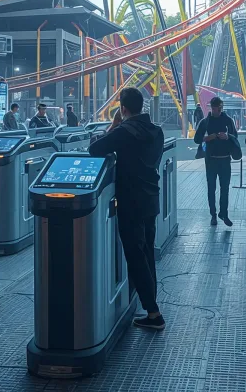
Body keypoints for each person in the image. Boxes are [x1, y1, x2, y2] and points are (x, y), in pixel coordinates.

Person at [87, 87, 166, 330]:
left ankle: (153, 313)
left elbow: (95, 148)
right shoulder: (157, 131)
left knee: (134, 255)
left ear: (123, 108)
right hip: (152, 198)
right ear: (142, 106)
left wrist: (113, 126)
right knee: (146, 253)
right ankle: (150, 303)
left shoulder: (124, 132)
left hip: (131, 200)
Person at [194, 96, 238, 227]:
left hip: (225, 160)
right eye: (213, 108)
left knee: (225, 189)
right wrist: (207, 138)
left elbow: (235, 136)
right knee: (211, 188)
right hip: (211, 160)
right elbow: (197, 139)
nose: (215, 111)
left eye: (217, 108)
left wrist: (227, 136)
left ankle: (223, 213)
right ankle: (213, 214)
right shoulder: (205, 122)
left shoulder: (228, 120)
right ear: (211, 108)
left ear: (221, 108)